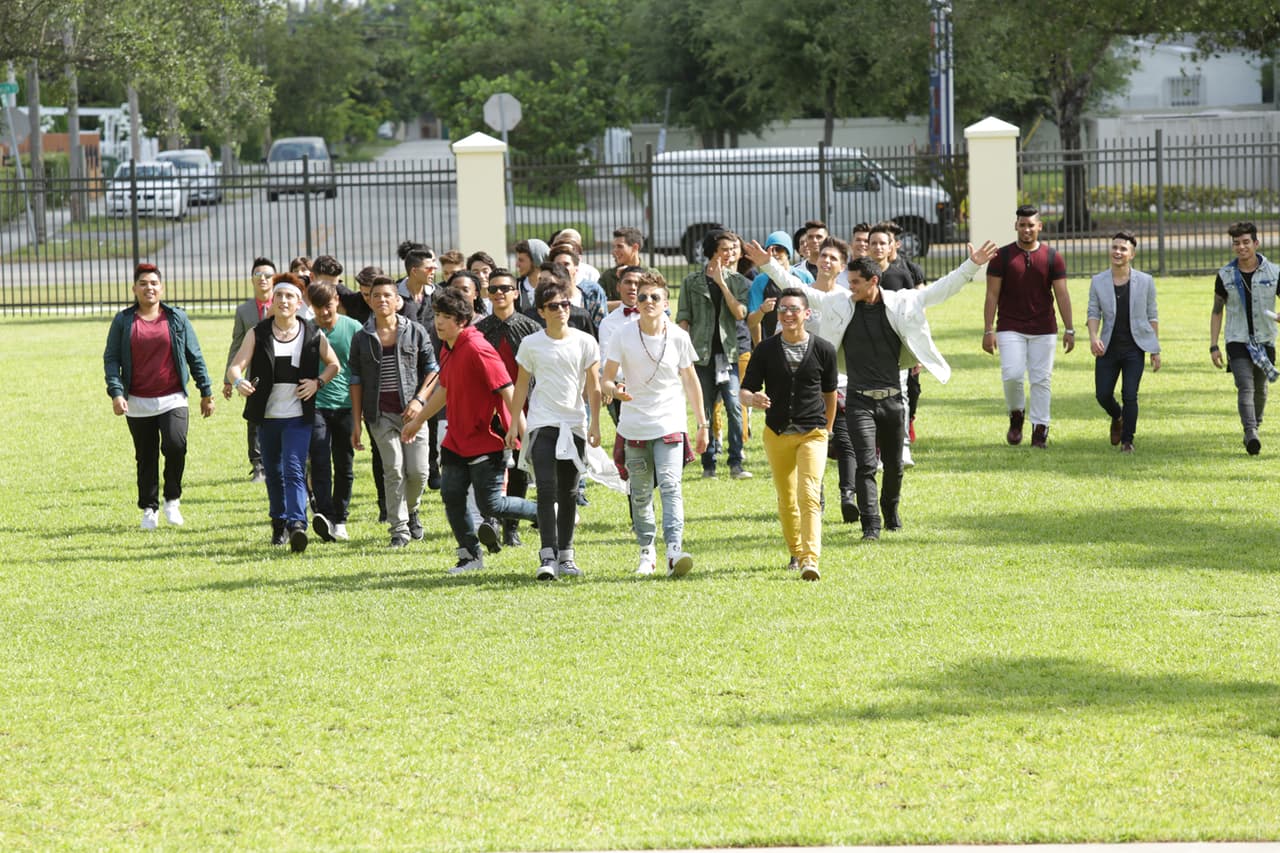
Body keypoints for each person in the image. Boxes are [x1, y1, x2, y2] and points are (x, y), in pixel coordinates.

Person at [797, 243, 1000, 540]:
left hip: (892, 399)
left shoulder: (902, 303)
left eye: (855, 283)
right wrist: (768, 265)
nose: (849, 288)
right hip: (857, 400)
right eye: (848, 281)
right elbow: (798, 289)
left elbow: (942, 289)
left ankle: (890, 510)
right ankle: (871, 525)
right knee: (866, 465)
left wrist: (971, 265)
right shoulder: (840, 304)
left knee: (893, 466)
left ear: (873, 281)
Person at [402, 288, 538, 575]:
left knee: (493, 504)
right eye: (437, 315)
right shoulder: (447, 346)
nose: (439, 322)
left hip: (486, 439)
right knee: (451, 495)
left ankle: (548, 513)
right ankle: (469, 556)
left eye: (446, 317)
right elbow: (445, 389)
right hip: (456, 439)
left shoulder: (478, 348)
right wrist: (418, 421)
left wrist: (521, 433)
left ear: (462, 320)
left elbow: (508, 390)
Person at [602, 274, 708, 577]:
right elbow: (605, 378)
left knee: (671, 485)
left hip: (670, 422)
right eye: (643, 297)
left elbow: (690, 379)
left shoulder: (677, 336)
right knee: (640, 492)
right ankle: (646, 552)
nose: (648, 302)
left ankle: (674, 551)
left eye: (655, 297)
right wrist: (615, 389)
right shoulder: (622, 334)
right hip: (634, 424)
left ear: (666, 303)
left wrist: (703, 424)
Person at [226, 275, 341, 552]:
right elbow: (235, 367)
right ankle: (278, 524)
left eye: (290, 297)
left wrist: (318, 383)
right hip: (267, 417)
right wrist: (238, 382)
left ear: (299, 303)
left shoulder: (312, 334)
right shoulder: (258, 332)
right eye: (279, 297)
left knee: (293, 468)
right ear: (273, 302)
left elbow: (333, 365)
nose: (284, 301)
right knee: (274, 474)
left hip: (298, 417)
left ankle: (297, 524)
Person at [104, 263, 215, 530]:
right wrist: (116, 393)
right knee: (146, 455)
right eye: (143, 283)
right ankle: (149, 508)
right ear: (134, 289)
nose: (149, 288)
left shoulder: (176, 318)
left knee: (176, 445)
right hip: (138, 401)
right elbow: (112, 358)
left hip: (173, 397)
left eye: (154, 283)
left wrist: (206, 391)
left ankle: (172, 500)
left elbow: (194, 355)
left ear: (161, 288)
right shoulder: (123, 321)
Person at [505, 278, 603, 580]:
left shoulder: (584, 341)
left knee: (569, 492)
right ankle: (547, 555)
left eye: (564, 304)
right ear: (541, 311)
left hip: (573, 424)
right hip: (541, 424)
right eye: (553, 306)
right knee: (546, 489)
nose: (561, 310)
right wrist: (513, 425)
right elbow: (521, 385)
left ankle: (566, 556)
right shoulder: (531, 344)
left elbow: (594, 386)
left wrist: (596, 423)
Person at [740, 288, 837, 581]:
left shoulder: (823, 349)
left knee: (809, 494)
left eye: (794, 309)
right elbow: (744, 390)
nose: (788, 314)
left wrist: (827, 430)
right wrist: (752, 399)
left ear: (807, 314)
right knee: (787, 498)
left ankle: (810, 559)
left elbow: (830, 394)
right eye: (783, 310)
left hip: (813, 433)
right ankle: (795, 551)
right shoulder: (766, 349)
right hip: (777, 433)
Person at [347, 277, 439, 547]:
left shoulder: (416, 331)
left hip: (414, 414)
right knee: (394, 469)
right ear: (370, 301)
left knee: (419, 472)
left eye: (388, 295)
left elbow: (433, 369)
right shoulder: (361, 337)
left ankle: (412, 512)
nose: (382, 300)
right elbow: (355, 381)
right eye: (376, 296)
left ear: (398, 300)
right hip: (379, 415)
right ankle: (399, 529)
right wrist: (356, 423)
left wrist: (419, 400)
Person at [983, 204, 1074, 449]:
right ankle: (1016, 415)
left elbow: (1062, 295)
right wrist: (988, 330)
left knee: (1041, 379)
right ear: (1016, 226)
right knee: (1012, 375)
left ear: (1039, 227)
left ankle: (1040, 429)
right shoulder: (1001, 257)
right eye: (1022, 225)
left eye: (1031, 225)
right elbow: (992, 295)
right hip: (1010, 325)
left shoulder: (1053, 257)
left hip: (1044, 327)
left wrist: (1070, 328)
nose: (1026, 230)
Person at [475, 267, 543, 547]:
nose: (499, 294)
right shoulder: (478, 331)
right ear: (486, 294)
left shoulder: (531, 329)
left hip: (524, 410)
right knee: (489, 468)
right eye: (493, 289)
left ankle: (511, 528)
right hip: (487, 410)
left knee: (519, 471)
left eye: (505, 288)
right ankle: (490, 521)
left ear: (516, 292)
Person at [676, 228, 752, 480]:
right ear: (712, 252)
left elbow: (740, 313)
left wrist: (722, 283)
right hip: (702, 356)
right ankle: (709, 463)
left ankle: (736, 461)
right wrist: (680, 355)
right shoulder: (691, 282)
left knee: (734, 406)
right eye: (725, 249)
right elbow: (684, 319)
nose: (731, 254)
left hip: (728, 354)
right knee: (705, 408)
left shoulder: (739, 282)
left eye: (733, 249)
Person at [1087, 232, 1161, 454]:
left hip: (1134, 348)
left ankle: (1127, 441)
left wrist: (1154, 350)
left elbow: (1152, 315)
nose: (1117, 252)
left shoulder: (1146, 281)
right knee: (1102, 395)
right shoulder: (1098, 281)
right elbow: (1093, 311)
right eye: (1115, 247)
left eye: (1123, 249)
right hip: (1108, 347)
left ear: (1132, 254)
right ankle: (1117, 416)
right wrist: (1093, 337)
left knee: (1130, 394)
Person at [1210, 221, 1279, 455]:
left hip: (1265, 339)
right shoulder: (1225, 274)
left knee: (1260, 389)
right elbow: (1217, 311)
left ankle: (1254, 428)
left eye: (1246, 242)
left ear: (1256, 243)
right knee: (1245, 386)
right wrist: (1213, 346)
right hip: (1237, 340)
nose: (1241, 247)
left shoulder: (1274, 272)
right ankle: (1250, 432)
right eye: (1237, 243)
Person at [307, 281, 363, 541]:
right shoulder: (306, 330)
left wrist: (361, 408)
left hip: (346, 405)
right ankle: (325, 514)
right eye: (318, 308)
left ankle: (340, 519)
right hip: (315, 403)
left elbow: (363, 369)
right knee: (318, 459)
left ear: (337, 301)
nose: (324, 313)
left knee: (344, 463)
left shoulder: (353, 328)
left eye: (328, 306)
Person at [223, 256, 276, 482]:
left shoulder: (284, 303)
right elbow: (237, 342)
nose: (263, 279)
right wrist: (229, 376)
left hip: (281, 369)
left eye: (267, 275)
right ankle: (258, 465)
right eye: (258, 275)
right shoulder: (244, 310)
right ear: (252, 280)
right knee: (254, 417)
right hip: (254, 370)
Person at [598, 226, 665, 309]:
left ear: (635, 248)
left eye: (620, 246)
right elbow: (597, 304)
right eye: (614, 247)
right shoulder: (608, 276)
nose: (614, 251)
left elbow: (662, 301)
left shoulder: (652, 274)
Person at [513, 238, 550, 313]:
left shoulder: (552, 288)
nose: (517, 265)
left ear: (536, 261)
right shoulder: (514, 287)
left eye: (521, 260)